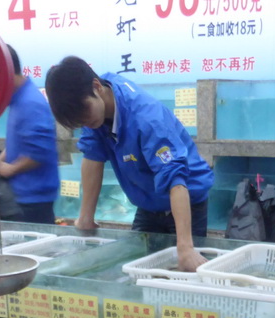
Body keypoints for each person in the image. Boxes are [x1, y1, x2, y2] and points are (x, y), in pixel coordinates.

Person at [45, 56, 214, 272]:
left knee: (184, 270)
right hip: (149, 203)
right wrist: (85, 217)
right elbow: (92, 156)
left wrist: (186, 247)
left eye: (84, 115)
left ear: (96, 87)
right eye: (79, 122)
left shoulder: (147, 118)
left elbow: (176, 180)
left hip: (184, 200)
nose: (85, 123)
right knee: (135, 268)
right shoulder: (93, 100)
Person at [0, 46, 60, 224]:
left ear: (7, 71)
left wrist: (10, 169)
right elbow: (24, 142)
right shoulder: (17, 98)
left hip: (33, 202)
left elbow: (40, 152)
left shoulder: (30, 103)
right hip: (19, 198)